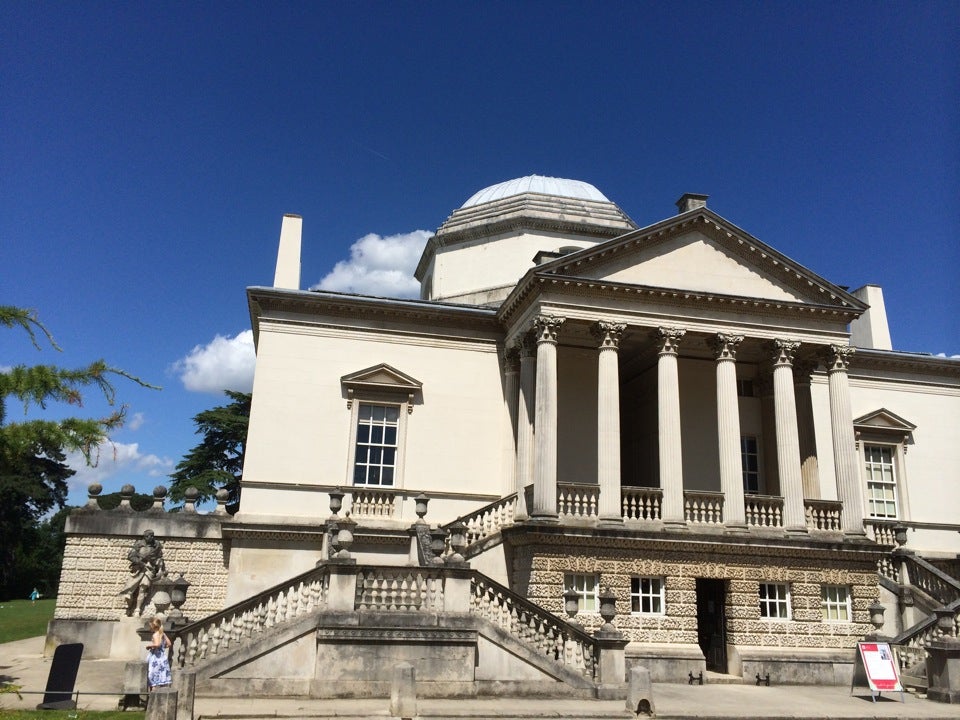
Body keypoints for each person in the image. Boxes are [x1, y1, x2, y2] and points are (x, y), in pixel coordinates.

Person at [119, 529, 167, 616]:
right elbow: (130, 556)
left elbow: (159, 557)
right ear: (145, 537)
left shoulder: (156, 545)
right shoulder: (139, 544)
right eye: (149, 536)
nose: (151, 537)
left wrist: (158, 566)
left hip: (148, 570)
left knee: (143, 588)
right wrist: (141, 563)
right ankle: (129, 608)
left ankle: (138, 609)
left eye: (152, 536)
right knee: (129, 591)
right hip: (137, 570)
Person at [146, 616, 172, 691]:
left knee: (152, 676)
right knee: (161, 676)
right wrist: (162, 647)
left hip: (155, 658)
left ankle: (152, 694)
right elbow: (169, 644)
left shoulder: (155, 634)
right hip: (162, 657)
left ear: (153, 626)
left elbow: (157, 644)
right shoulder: (162, 634)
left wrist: (150, 646)